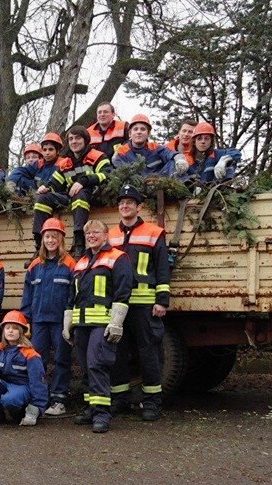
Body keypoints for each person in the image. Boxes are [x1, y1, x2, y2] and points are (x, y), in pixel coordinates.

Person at [107, 185, 171, 421]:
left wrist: (162, 300)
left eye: (130, 202)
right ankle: (120, 399)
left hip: (145, 304)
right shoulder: (110, 235)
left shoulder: (154, 232)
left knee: (149, 353)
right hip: (118, 305)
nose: (125, 206)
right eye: (122, 202)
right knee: (117, 353)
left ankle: (152, 402)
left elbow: (163, 267)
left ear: (139, 207)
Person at [63, 220, 132, 433]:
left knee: (97, 364)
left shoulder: (117, 257)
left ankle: (102, 413)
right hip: (82, 323)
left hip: (103, 322)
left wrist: (116, 322)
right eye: (88, 233)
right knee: (85, 366)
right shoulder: (82, 261)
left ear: (105, 235)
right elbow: (72, 296)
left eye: (96, 232)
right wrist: (68, 322)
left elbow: (123, 292)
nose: (91, 236)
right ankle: (91, 407)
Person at [20, 218, 76, 416]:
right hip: (39, 321)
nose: (51, 241)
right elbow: (27, 296)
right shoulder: (35, 265)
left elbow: (74, 295)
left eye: (54, 237)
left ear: (61, 239)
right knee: (38, 360)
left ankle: (59, 400)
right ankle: (39, 399)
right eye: (47, 237)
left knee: (62, 359)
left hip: (60, 321)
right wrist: (24, 320)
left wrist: (70, 321)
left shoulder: (70, 265)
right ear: (42, 239)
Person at [33, 125, 112, 258]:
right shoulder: (65, 163)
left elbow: (108, 174)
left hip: (93, 195)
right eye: (71, 139)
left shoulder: (98, 156)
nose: (74, 142)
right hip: (71, 197)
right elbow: (55, 184)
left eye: (78, 138)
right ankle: (39, 246)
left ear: (86, 140)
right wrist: (46, 188)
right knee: (42, 199)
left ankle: (79, 244)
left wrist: (84, 181)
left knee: (79, 195)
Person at [0, 310, 49, 426]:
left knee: (10, 400)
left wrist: (35, 409)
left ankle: (20, 412)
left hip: (22, 388)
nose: (10, 331)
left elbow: (38, 383)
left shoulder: (30, 354)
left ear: (22, 331)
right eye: (7, 328)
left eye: (15, 328)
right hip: (4, 385)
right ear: (3, 331)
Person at [112, 114, 187, 177]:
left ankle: (188, 187)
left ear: (148, 134)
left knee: (173, 162)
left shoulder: (155, 147)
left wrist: (180, 159)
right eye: (135, 129)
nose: (139, 132)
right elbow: (120, 171)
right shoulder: (122, 151)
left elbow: (170, 154)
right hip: (134, 187)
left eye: (143, 129)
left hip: (160, 183)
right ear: (130, 134)